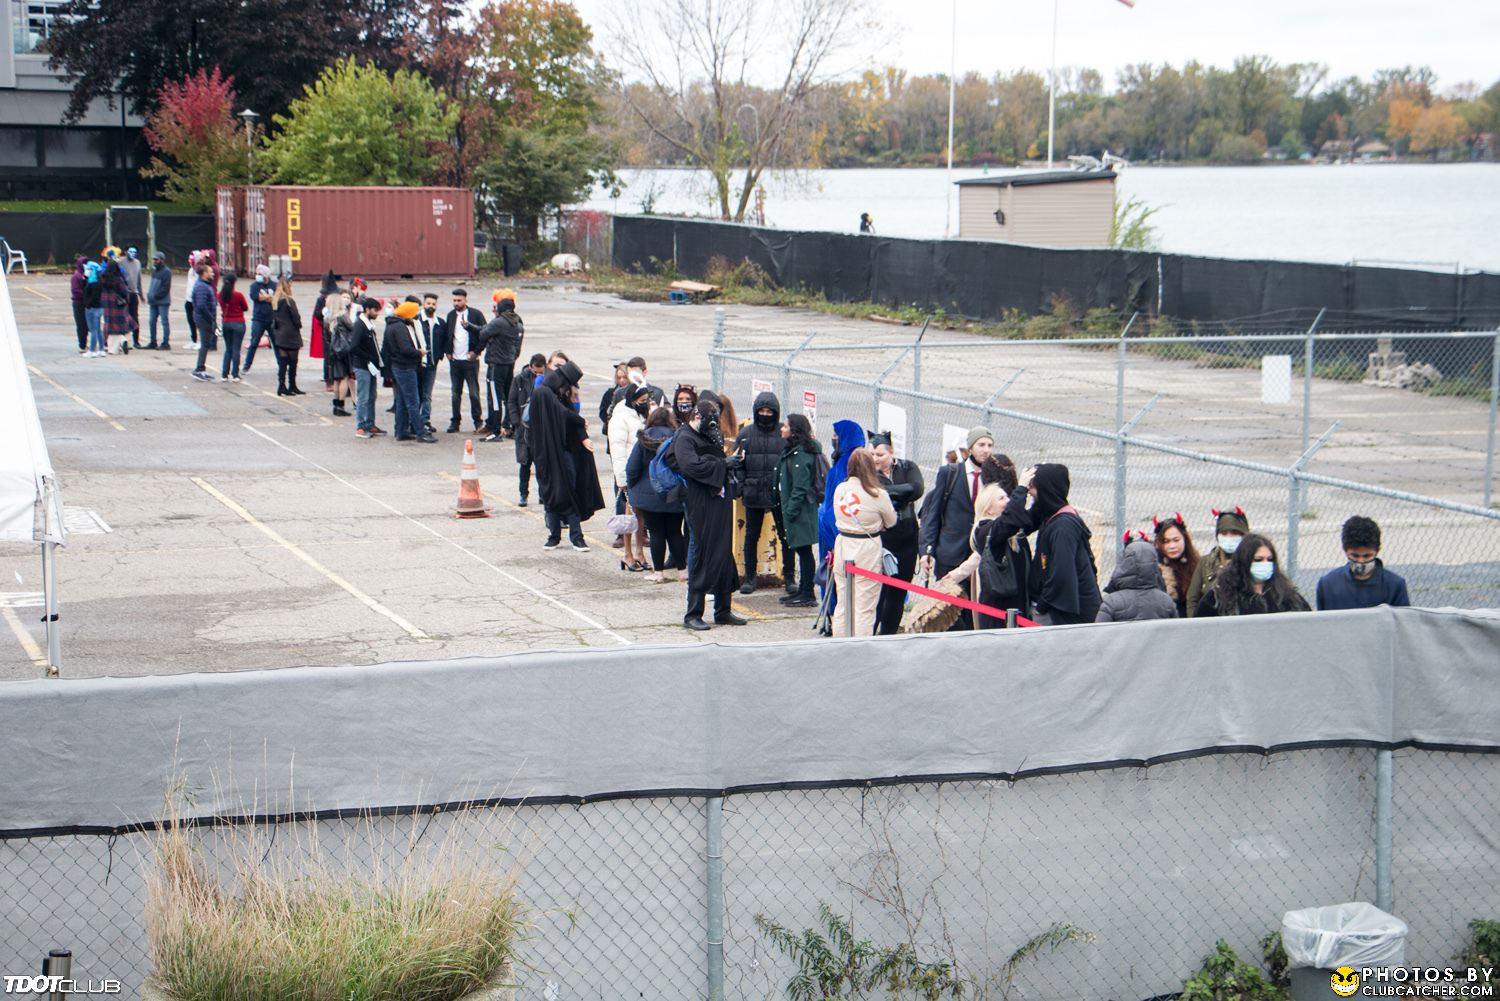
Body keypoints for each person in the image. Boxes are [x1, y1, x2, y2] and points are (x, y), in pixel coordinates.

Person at [675, 399, 746, 631]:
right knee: (702, 553)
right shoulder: (685, 438)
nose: (713, 427)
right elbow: (690, 466)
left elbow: (712, 460)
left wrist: (729, 462)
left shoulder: (707, 433)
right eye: (709, 422)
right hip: (701, 503)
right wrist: (723, 463)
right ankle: (693, 613)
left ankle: (723, 610)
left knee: (723, 552)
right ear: (697, 418)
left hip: (720, 500)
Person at [917, 426, 994, 628]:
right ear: (970, 447)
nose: (986, 450)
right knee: (949, 610)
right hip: (950, 553)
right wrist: (926, 550)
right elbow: (933, 514)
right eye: (981, 445)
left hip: (978, 555)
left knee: (973, 610)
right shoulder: (950, 473)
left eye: (989, 445)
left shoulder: (993, 476)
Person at [1013, 463, 1101, 625]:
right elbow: (1019, 524)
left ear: (1046, 490)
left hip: (1066, 616)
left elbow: (1061, 573)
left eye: (1033, 488)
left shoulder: (1063, 527)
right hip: (1058, 612)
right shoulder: (1049, 514)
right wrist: (1021, 489)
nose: (1031, 493)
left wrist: (1041, 606)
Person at [530, 361, 604, 551]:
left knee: (567, 490)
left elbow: (569, 416)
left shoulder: (556, 395)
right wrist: (581, 420)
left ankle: (572, 536)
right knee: (553, 492)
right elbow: (563, 414)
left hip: (562, 452)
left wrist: (583, 437)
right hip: (548, 454)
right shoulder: (544, 393)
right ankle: (557, 535)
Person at [829, 447, 898, 636]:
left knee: (843, 602)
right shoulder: (877, 494)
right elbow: (891, 521)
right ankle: (861, 649)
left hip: (844, 543)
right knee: (865, 605)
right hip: (867, 547)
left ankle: (839, 645)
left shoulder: (840, 489)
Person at [870, 432, 925, 634]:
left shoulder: (907, 466)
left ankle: (888, 634)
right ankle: (869, 633)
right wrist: (903, 492)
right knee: (879, 593)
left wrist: (889, 493)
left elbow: (917, 488)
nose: (875, 459)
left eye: (880, 455)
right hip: (884, 538)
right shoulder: (869, 473)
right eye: (872, 454)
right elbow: (875, 492)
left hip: (908, 537)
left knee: (899, 592)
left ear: (891, 453)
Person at [733, 392, 786, 595]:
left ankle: (788, 576)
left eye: (769, 411)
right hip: (753, 491)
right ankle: (750, 577)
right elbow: (738, 464)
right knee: (751, 536)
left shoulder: (783, 433)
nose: (765, 414)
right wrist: (741, 487)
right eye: (761, 411)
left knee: (785, 536)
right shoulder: (746, 434)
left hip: (777, 493)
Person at [627, 406, 686, 582]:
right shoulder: (678, 438)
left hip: (650, 494)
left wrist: (632, 487)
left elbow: (632, 468)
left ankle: (658, 572)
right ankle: (683, 571)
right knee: (675, 531)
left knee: (656, 533)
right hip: (674, 492)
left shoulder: (643, 440)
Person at [1195, 533, 1310, 617]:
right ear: (1245, 561)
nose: (1265, 564)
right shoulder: (1218, 597)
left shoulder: (1287, 595)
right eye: (1258, 560)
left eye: (1270, 560)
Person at [976, 455, 1031, 628]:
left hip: (1018, 607)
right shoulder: (986, 531)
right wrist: (1021, 488)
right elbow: (1009, 520)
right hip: (998, 615)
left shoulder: (1011, 533)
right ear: (988, 508)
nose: (1007, 501)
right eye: (1001, 499)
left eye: (1007, 497)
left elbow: (1028, 519)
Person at [776, 414, 823, 608]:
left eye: (785, 426)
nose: (782, 429)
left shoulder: (802, 454)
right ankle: (803, 589)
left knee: (804, 551)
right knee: (800, 550)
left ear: (794, 430)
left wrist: (789, 510)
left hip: (800, 511)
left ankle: (807, 593)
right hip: (794, 509)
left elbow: (800, 487)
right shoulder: (793, 450)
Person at [1315, 516, 1411, 611]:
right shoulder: (1327, 585)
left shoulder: (1394, 585)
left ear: (1377, 551)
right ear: (1345, 550)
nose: (1361, 561)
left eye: (1367, 556)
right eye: (1355, 556)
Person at [609, 382, 652, 571]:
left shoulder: (642, 416)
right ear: (633, 401)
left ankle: (640, 552)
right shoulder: (620, 418)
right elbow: (617, 450)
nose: (647, 403)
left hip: (644, 471)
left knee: (640, 514)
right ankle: (628, 554)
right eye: (643, 400)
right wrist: (622, 479)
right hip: (630, 471)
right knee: (629, 515)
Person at [474, 289, 523, 443]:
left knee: (494, 397)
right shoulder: (518, 322)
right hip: (509, 363)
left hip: (496, 364)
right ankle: (509, 425)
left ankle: (495, 430)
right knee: (509, 397)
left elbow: (483, 334)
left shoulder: (499, 321)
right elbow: (518, 345)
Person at [384, 299, 435, 442]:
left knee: (401, 400)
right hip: (405, 367)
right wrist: (419, 352)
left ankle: (401, 430)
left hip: (398, 366)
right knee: (413, 401)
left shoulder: (392, 325)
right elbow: (405, 349)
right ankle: (420, 432)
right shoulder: (400, 328)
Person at [1096, 535, 1178, 623]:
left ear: (1125, 563)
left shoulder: (1111, 602)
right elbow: (1176, 632)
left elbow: (1100, 632)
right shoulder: (1166, 601)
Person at [1185, 507, 1250, 617]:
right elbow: (1192, 599)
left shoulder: (1252, 562)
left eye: (1234, 533)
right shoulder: (1205, 563)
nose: (1229, 538)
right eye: (1224, 533)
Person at [443, 288, 486, 433]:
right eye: (454, 300)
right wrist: (447, 352)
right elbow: (446, 334)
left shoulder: (475, 314)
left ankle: (478, 422)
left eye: (459, 300)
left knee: (474, 393)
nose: (456, 303)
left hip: (470, 362)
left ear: (466, 300)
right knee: (455, 393)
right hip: (455, 361)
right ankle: (455, 422)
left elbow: (485, 334)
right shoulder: (450, 315)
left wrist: (476, 352)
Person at [510, 353, 545, 504]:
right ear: (530, 367)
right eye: (535, 371)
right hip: (523, 430)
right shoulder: (519, 380)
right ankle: (523, 494)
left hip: (540, 430)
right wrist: (516, 422)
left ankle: (543, 494)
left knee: (542, 466)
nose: (537, 375)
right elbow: (511, 401)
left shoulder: (546, 380)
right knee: (525, 464)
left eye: (540, 372)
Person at [1152, 513, 1201, 618]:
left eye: (1176, 540)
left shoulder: (1197, 564)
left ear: (1184, 539)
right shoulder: (1155, 567)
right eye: (1166, 541)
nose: (1172, 546)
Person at [350, 297, 385, 437]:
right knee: (363, 397)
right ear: (367, 310)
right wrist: (368, 358)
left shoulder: (368, 324)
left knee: (371, 396)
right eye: (375, 310)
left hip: (370, 367)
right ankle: (361, 426)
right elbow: (354, 346)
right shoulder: (360, 325)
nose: (377, 313)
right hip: (363, 367)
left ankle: (370, 424)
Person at [415, 293, 444, 435]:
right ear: (423, 304)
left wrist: (441, 355)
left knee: (427, 394)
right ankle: (414, 421)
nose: (431, 306)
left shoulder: (440, 323)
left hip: (432, 364)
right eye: (428, 304)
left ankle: (425, 420)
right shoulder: (416, 320)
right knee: (416, 393)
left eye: (433, 304)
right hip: (417, 364)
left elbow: (444, 341)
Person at [324, 290, 355, 417]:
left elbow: (326, 335)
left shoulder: (327, 318)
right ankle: (341, 405)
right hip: (343, 349)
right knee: (344, 378)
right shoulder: (342, 315)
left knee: (336, 379)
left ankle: (336, 405)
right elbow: (352, 328)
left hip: (332, 349)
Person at [271, 279, 303, 396]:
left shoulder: (275, 301)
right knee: (293, 361)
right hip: (291, 334)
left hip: (280, 334)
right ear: (288, 287)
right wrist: (299, 325)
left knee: (283, 362)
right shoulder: (289, 301)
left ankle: (281, 385)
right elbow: (296, 318)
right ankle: (292, 385)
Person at [245, 264, 277, 374]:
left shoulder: (274, 285)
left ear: (266, 276)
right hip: (258, 319)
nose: (257, 276)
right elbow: (255, 297)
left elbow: (276, 299)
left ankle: (282, 365)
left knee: (276, 344)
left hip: (272, 318)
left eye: (260, 274)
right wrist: (268, 297)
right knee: (254, 343)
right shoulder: (254, 286)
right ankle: (246, 366)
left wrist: (266, 297)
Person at [217, 271, 249, 381]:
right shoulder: (238, 295)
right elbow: (245, 307)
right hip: (238, 322)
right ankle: (235, 374)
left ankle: (224, 374)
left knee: (228, 349)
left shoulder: (220, 295)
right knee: (236, 349)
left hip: (226, 322)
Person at [189, 263, 217, 380]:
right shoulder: (202, 287)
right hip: (204, 319)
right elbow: (201, 305)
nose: (213, 274)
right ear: (204, 274)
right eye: (210, 272)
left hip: (204, 318)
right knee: (205, 344)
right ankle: (199, 369)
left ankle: (201, 369)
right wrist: (211, 318)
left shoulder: (205, 285)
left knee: (206, 344)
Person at [100, 256, 131, 355]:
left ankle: (112, 348)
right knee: (119, 326)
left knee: (108, 326)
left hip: (106, 305)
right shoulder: (118, 279)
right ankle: (122, 341)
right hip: (117, 305)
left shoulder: (102, 278)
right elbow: (125, 292)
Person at [144, 252, 171, 350]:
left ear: (162, 260)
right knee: (151, 321)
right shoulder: (154, 271)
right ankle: (153, 341)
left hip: (162, 301)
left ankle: (165, 343)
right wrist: (150, 295)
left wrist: (156, 295)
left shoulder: (166, 272)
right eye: (154, 260)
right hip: (153, 301)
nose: (154, 261)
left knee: (164, 321)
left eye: (157, 260)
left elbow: (166, 287)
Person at [82, 261, 105, 357]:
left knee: (94, 330)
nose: (87, 270)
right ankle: (101, 349)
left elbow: (93, 297)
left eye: (88, 269)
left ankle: (92, 350)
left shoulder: (94, 283)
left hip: (93, 309)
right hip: (99, 308)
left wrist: (88, 305)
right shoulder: (97, 280)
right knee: (98, 330)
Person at [122, 247, 143, 347]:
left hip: (134, 293)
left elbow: (139, 279)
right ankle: (124, 340)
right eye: (130, 252)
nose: (132, 254)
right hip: (124, 293)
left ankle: (136, 340)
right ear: (126, 252)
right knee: (123, 316)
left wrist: (141, 294)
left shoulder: (137, 263)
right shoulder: (121, 262)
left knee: (135, 317)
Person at [69, 257, 90, 353]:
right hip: (79, 303)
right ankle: (82, 345)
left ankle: (86, 343)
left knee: (88, 325)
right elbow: (75, 291)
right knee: (81, 325)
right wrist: (86, 295)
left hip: (87, 303)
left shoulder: (88, 274)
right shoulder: (76, 276)